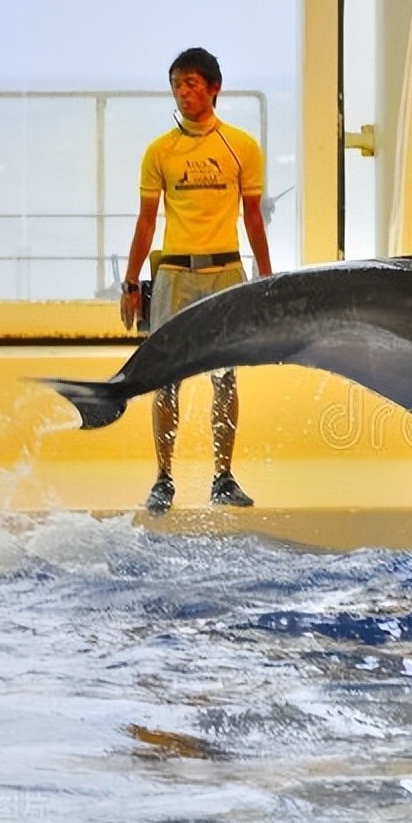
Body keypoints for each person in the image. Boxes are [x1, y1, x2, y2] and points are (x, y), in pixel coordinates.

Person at [119, 47, 273, 515]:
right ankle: (163, 478)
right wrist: (130, 283)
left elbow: (253, 218)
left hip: (225, 271)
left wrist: (266, 278)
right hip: (175, 275)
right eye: (176, 84)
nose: (183, 92)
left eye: (191, 83)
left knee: (224, 377)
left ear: (214, 88)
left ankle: (222, 477)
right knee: (166, 379)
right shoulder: (160, 151)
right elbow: (147, 221)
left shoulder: (240, 146)